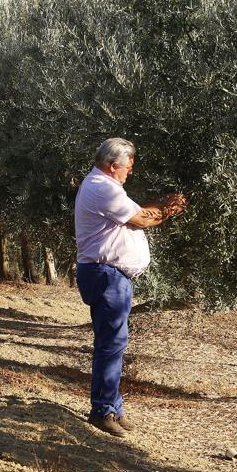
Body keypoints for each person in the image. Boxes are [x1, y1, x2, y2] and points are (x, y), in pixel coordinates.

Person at [74, 137, 187, 437]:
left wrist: (160, 207)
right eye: (128, 166)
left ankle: (113, 406)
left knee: (114, 343)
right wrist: (168, 209)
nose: (131, 171)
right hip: (106, 275)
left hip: (108, 275)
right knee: (111, 344)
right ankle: (102, 411)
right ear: (113, 166)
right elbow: (142, 219)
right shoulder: (103, 188)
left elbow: (138, 213)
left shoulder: (105, 186)